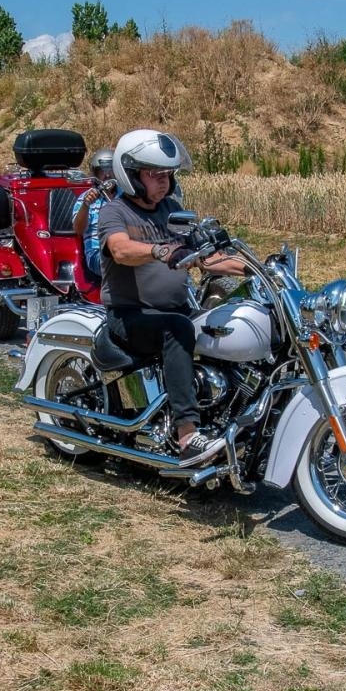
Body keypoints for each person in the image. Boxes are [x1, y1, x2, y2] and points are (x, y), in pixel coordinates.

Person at [99, 129, 248, 465]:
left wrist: (254, 269)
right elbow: (120, 250)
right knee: (178, 329)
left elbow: (205, 257)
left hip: (177, 309)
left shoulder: (172, 210)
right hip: (131, 316)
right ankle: (187, 435)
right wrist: (158, 249)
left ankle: (230, 413)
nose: (164, 181)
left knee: (228, 324)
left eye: (168, 174)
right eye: (155, 175)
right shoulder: (115, 212)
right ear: (132, 174)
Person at [71, 147, 118, 285]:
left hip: (126, 246)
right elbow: (78, 230)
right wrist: (86, 205)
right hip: (97, 252)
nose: (107, 175)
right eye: (102, 171)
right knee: (121, 262)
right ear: (95, 173)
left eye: (111, 170)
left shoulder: (127, 196)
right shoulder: (86, 198)